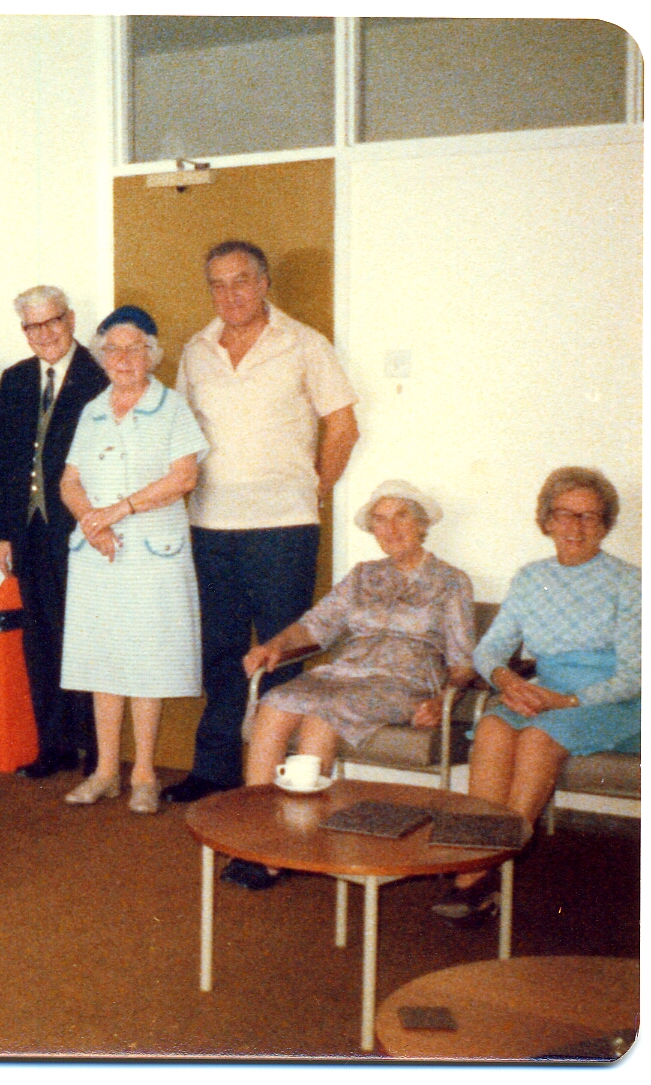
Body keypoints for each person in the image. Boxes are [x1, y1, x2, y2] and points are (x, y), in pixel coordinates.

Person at [164, 239, 360, 805]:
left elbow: (343, 426)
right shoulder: (196, 350)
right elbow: (181, 434)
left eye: (241, 280)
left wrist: (315, 490)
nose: (230, 294)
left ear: (265, 282)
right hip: (210, 525)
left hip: (284, 527)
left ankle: (281, 777)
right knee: (221, 650)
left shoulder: (304, 343)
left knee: (282, 651)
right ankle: (215, 771)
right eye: (218, 284)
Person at [223, 480, 475, 889]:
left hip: (404, 681)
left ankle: (295, 843)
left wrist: (445, 697)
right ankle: (260, 839)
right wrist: (273, 646)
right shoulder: (362, 576)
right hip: (345, 673)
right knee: (275, 702)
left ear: (422, 523)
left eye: (401, 516)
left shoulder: (451, 580)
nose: (390, 528)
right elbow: (315, 625)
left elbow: (464, 661)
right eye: (380, 520)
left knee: (323, 716)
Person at [433, 467, 640, 928]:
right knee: (491, 725)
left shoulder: (629, 582)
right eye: (564, 514)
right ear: (546, 520)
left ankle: (480, 873)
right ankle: (480, 859)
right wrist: (508, 682)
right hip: (542, 692)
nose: (576, 526)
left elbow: (635, 676)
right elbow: (489, 650)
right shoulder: (531, 578)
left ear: (605, 525)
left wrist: (562, 702)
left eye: (589, 516)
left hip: (609, 701)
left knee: (537, 738)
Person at [59, 306, 208, 815]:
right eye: (113, 349)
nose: (122, 358)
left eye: (133, 348)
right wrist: (92, 523)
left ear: (152, 354)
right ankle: (105, 771)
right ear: (102, 357)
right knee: (102, 658)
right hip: (97, 552)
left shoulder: (173, 408)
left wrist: (117, 511)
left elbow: (183, 478)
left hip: (153, 552)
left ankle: (143, 773)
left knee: (148, 659)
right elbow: (70, 481)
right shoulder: (92, 410)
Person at [0, 285, 108, 780]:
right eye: (32, 326)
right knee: (38, 639)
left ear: (71, 319)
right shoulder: (16, 379)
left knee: (85, 636)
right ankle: (52, 746)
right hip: (29, 531)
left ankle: (97, 751)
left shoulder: (99, 374)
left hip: (80, 527)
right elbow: (3, 461)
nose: (44, 334)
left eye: (52, 321)